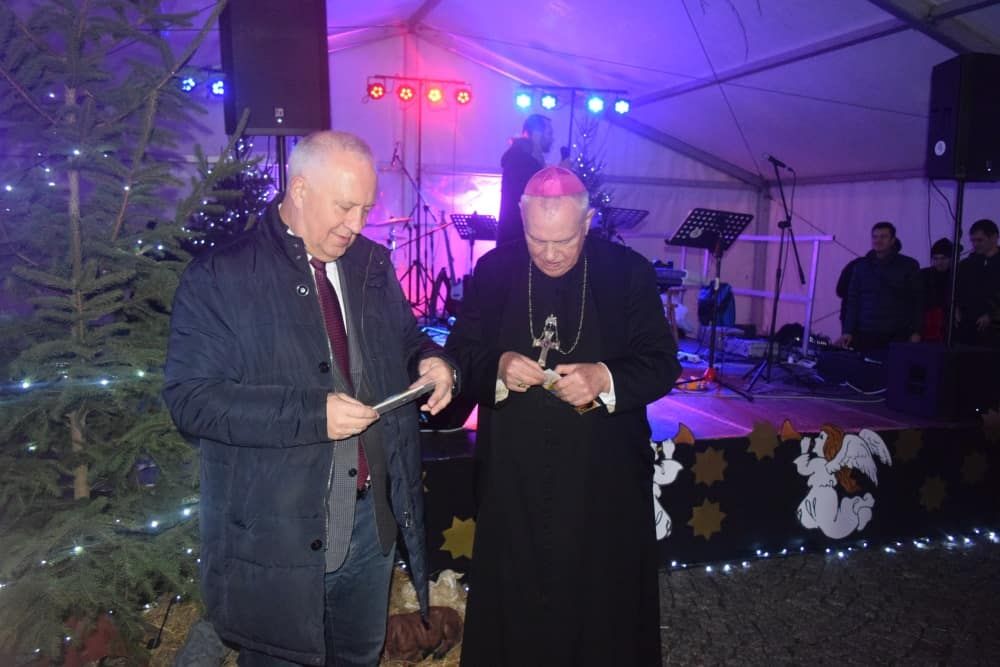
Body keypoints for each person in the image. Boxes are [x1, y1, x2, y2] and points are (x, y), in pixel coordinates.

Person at [163, 131, 456, 666]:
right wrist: (310, 415)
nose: (356, 225)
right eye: (344, 207)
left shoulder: (371, 264)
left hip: (371, 526)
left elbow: (407, 339)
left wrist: (432, 361)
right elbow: (191, 400)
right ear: (298, 189)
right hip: (278, 535)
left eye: (365, 209)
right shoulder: (221, 276)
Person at [445, 166, 680, 666]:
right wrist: (499, 366)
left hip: (603, 475)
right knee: (514, 596)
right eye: (537, 239)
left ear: (588, 222)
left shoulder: (627, 273)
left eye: (565, 241)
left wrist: (605, 377)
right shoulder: (495, 270)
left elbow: (663, 363)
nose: (550, 254)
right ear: (522, 220)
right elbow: (461, 352)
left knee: (600, 603)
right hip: (514, 474)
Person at [836, 222, 922, 352]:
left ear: (892, 240)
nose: (878, 240)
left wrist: (916, 331)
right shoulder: (861, 266)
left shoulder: (908, 265)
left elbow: (917, 301)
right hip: (865, 334)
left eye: (883, 236)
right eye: (875, 237)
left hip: (897, 334)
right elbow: (853, 300)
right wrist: (847, 331)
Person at [496, 114, 554, 246]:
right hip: (516, 239)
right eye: (549, 133)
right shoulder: (521, 160)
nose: (552, 138)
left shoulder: (523, 158)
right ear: (537, 134)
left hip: (517, 237)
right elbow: (535, 195)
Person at [956, 218, 1000, 347]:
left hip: (994, 329)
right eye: (973, 240)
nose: (975, 244)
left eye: (980, 240)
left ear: (994, 238)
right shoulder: (967, 264)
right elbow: (958, 289)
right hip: (967, 327)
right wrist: (955, 308)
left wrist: (991, 314)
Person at [920, 237, 956, 342]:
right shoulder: (923, 275)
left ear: (951, 258)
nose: (939, 262)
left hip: (949, 327)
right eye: (935, 258)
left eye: (943, 258)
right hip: (926, 326)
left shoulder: (957, 275)